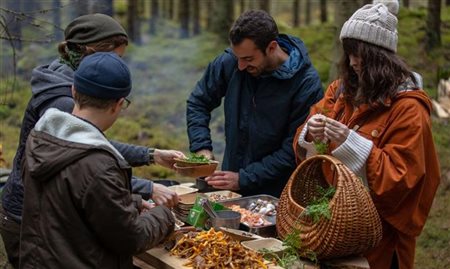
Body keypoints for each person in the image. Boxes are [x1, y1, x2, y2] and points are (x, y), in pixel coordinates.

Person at [0, 13, 182, 268]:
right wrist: (160, 207)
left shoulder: (59, 99)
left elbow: (84, 167)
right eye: (113, 59)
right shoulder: (62, 104)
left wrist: (147, 163)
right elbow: (91, 166)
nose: (114, 64)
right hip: (27, 216)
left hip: (43, 220)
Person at [293, 1, 440, 268]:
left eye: (360, 54)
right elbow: (305, 138)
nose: (352, 61)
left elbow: (402, 180)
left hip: (382, 244)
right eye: (348, 52)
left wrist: (350, 142)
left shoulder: (409, 109)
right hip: (335, 230)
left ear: (381, 57)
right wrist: (309, 132)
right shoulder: (340, 89)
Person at [186, 10, 323, 197]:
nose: (241, 66)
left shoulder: (306, 84)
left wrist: (243, 178)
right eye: (238, 58)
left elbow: (294, 149)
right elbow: (198, 102)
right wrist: (201, 147)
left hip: (278, 193)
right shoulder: (231, 62)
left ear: (272, 47)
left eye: (249, 59)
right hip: (230, 184)